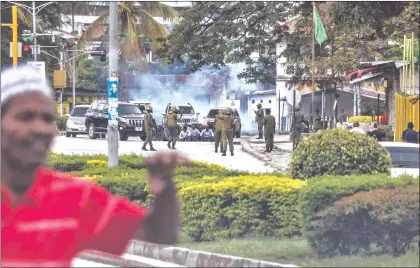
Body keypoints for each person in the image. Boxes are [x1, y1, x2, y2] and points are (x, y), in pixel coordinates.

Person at [1, 66, 185, 267]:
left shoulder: (74, 197)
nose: (40, 128)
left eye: (48, 119)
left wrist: (163, 184)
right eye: (25, 117)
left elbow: (158, 233)